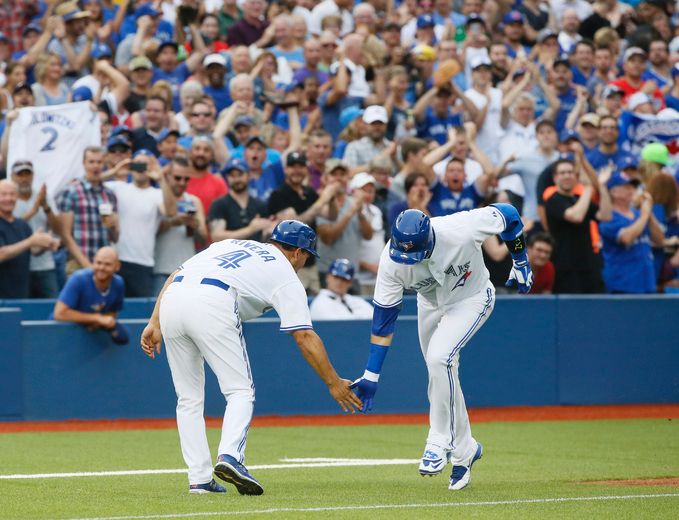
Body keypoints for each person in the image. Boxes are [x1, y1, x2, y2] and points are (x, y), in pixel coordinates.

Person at [140, 220, 362, 494]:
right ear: (297, 252)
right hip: (213, 300)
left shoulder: (231, 244)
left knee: (188, 398)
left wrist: (155, 321)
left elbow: (175, 273)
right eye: (306, 256)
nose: (304, 262)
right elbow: (304, 336)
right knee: (240, 391)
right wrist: (333, 382)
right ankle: (231, 456)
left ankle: (199, 479)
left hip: (173, 299)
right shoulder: (286, 273)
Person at [349, 205, 533, 491]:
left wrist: (520, 259)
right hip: (431, 303)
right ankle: (465, 450)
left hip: (472, 298)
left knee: (439, 359)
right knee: (441, 372)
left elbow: (509, 214)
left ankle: (438, 440)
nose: (407, 261)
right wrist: (371, 376)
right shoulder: (391, 261)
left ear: (429, 239)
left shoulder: (461, 227)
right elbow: (383, 323)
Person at [544, 158, 612, 293]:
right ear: (555, 177)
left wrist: (602, 187)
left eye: (570, 172)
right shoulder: (553, 199)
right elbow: (576, 216)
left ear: (576, 177)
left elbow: (605, 215)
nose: (567, 176)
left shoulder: (579, 198)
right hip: (565, 266)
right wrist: (589, 188)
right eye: (562, 173)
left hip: (589, 264)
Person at [56, 146, 119, 274]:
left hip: (104, 266)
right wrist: (88, 266)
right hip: (77, 263)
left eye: (99, 162)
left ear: (104, 164)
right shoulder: (71, 191)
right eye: (91, 162)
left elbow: (115, 237)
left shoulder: (110, 194)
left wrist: (114, 226)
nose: (95, 166)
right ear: (84, 164)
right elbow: (65, 235)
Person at [599, 175, 665, 294]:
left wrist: (648, 213)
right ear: (613, 192)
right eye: (626, 187)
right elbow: (626, 238)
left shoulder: (639, 214)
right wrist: (644, 214)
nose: (631, 190)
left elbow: (660, 240)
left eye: (633, 187)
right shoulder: (609, 217)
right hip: (622, 283)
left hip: (646, 281)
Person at [153, 156, 207, 295]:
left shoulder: (194, 201)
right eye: (177, 178)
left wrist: (195, 226)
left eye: (186, 179)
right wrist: (174, 222)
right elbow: (151, 231)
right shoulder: (156, 196)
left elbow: (203, 238)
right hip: (161, 268)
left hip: (187, 268)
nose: (182, 183)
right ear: (168, 176)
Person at [53, 246, 128, 345]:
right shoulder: (78, 279)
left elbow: (112, 312)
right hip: (59, 336)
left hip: (90, 340)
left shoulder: (118, 284)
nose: (101, 268)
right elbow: (59, 314)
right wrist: (96, 318)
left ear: (117, 266)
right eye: (98, 263)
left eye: (107, 264)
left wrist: (99, 322)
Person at [0, 179, 59, 298]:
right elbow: (1, 254)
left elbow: (32, 250)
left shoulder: (22, 224)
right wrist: (30, 241)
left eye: (12, 194)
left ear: (17, 197)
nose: (8, 198)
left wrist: (45, 244)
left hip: (21, 292)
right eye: (3, 194)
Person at [10, 160, 61, 298]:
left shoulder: (43, 196)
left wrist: (45, 206)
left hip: (45, 264)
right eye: (20, 175)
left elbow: (57, 229)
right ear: (12, 177)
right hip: (18, 266)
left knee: (51, 308)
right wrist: (33, 210)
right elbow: (11, 226)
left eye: (28, 174)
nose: (24, 179)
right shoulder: (8, 200)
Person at [209, 158, 270, 242]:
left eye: (240, 174)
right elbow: (216, 236)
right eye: (232, 175)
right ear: (227, 178)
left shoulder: (260, 205)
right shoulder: (219, 204)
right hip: (229, 253)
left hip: (256, 253)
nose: (237, 179)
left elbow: (267, 232)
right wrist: (250, 229)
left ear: (249, 175)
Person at [309, 258, 374, 319]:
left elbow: (374, 318)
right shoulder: (321, 302)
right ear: (328, 277)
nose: (339, 282)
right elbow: (342, 327)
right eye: (336, 277)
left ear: (350, 283)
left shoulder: (356, 301)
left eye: (344, 279)